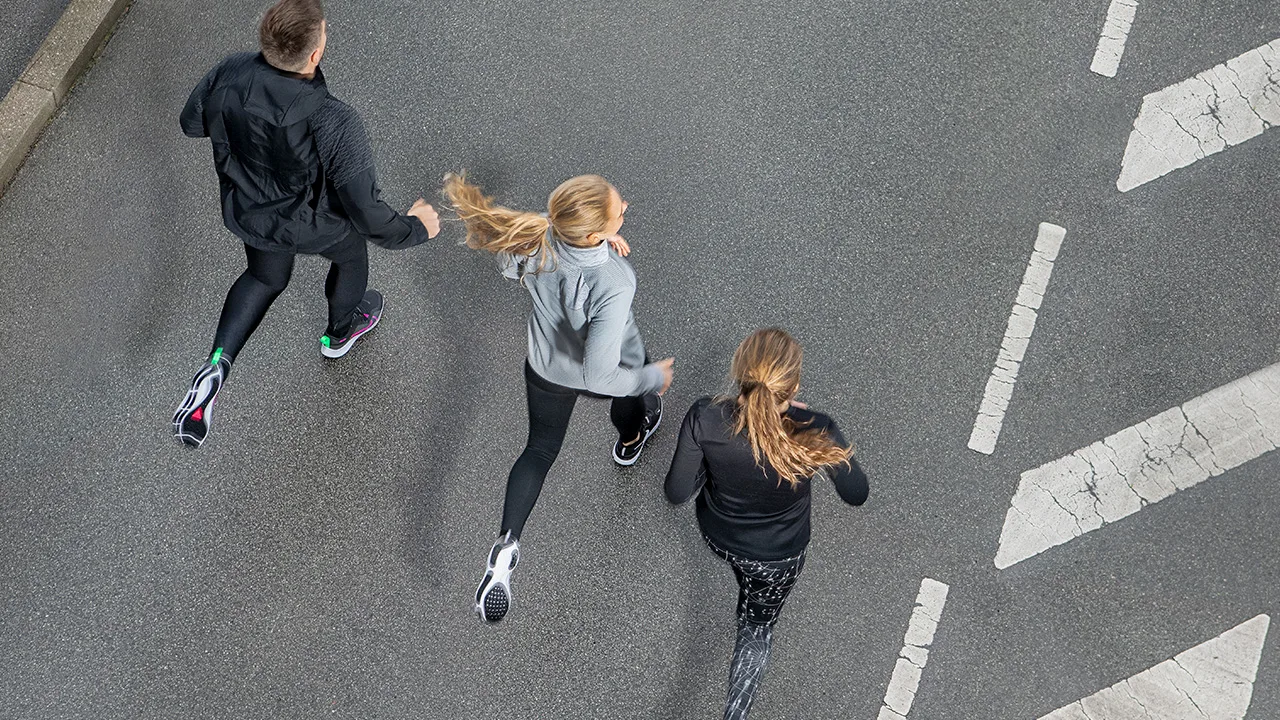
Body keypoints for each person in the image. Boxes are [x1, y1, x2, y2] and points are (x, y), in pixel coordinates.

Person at [172, 0, 441, 447]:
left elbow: (190, 123)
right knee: (353, 257)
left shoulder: (230, 71)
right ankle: (339, 332)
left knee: (263, 277)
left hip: (253, 212)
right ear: (315, 53)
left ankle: (218, 362)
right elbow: (369, 215)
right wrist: (416, 227)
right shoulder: (335, 121)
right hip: (318, 225)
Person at [443, 173, 675, 624]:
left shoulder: (538, 236)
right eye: (617, 210)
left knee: (539, 448)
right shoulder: (614, 281)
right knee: (629, 390)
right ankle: (630, 441)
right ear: (591, 233)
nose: (625, 205)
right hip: (604, 366)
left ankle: (508, 541)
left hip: (546, 367)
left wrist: (599, 246)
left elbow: (512, 268)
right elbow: (601, 373)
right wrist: (649, 377)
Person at [664, 328, 868, 720]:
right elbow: (856, 492)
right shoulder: (813, 428)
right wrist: (817, 435)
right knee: (755, 627)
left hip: (720, 537)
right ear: (794, 386)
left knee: (745, 578)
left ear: (739, 372)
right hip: (778, 557)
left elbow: (677, 492)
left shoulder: (705, 417)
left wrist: (710, 463)